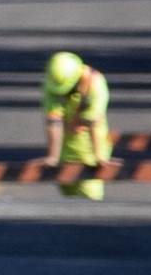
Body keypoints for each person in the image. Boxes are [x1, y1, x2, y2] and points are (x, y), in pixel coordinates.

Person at [39, 47, 113, 201]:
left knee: (90, 197)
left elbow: (94, 122)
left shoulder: (94, 82)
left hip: (88, 149)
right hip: (65, 150)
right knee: (69, 198)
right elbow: (53, 121)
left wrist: (99, 156)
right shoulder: (51, 83)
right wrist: (53, 156)